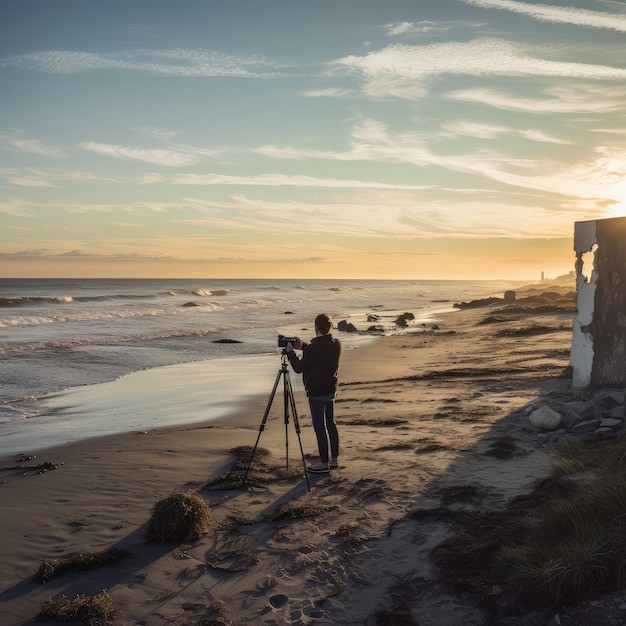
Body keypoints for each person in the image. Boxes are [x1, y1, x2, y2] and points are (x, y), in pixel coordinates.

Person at [285, 313, 342, 474]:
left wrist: (290, 352)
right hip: (330, 391)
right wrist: (302, 346)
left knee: (319, 427)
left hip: (316, 393)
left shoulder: (313, 349)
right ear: (330, 327)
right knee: (331, 424)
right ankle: (334, 459)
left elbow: (298, 367)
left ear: (315, 328)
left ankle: (324, 463)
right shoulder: (336, 344)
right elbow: (318, 354)